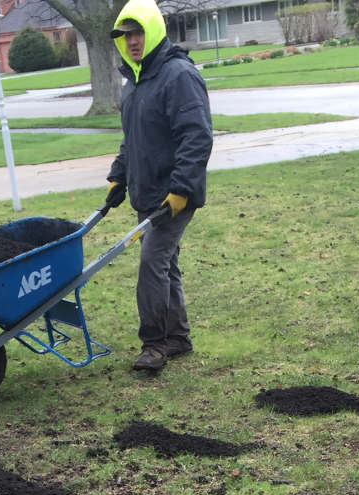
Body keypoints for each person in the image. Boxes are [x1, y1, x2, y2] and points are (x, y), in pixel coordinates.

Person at [104, 0, 213, 373]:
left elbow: (196, 137)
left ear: (153, 31)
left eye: (138, 33)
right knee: (167, 264)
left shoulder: (178, 75)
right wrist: (119, 175)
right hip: (146, 192)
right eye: (126, 35)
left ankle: (154, 344)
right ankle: (178, 337)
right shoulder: (134, 82)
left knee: (153, 262)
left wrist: (181, 190)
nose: (133, 41)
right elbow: (132, 138)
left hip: (174, 194)